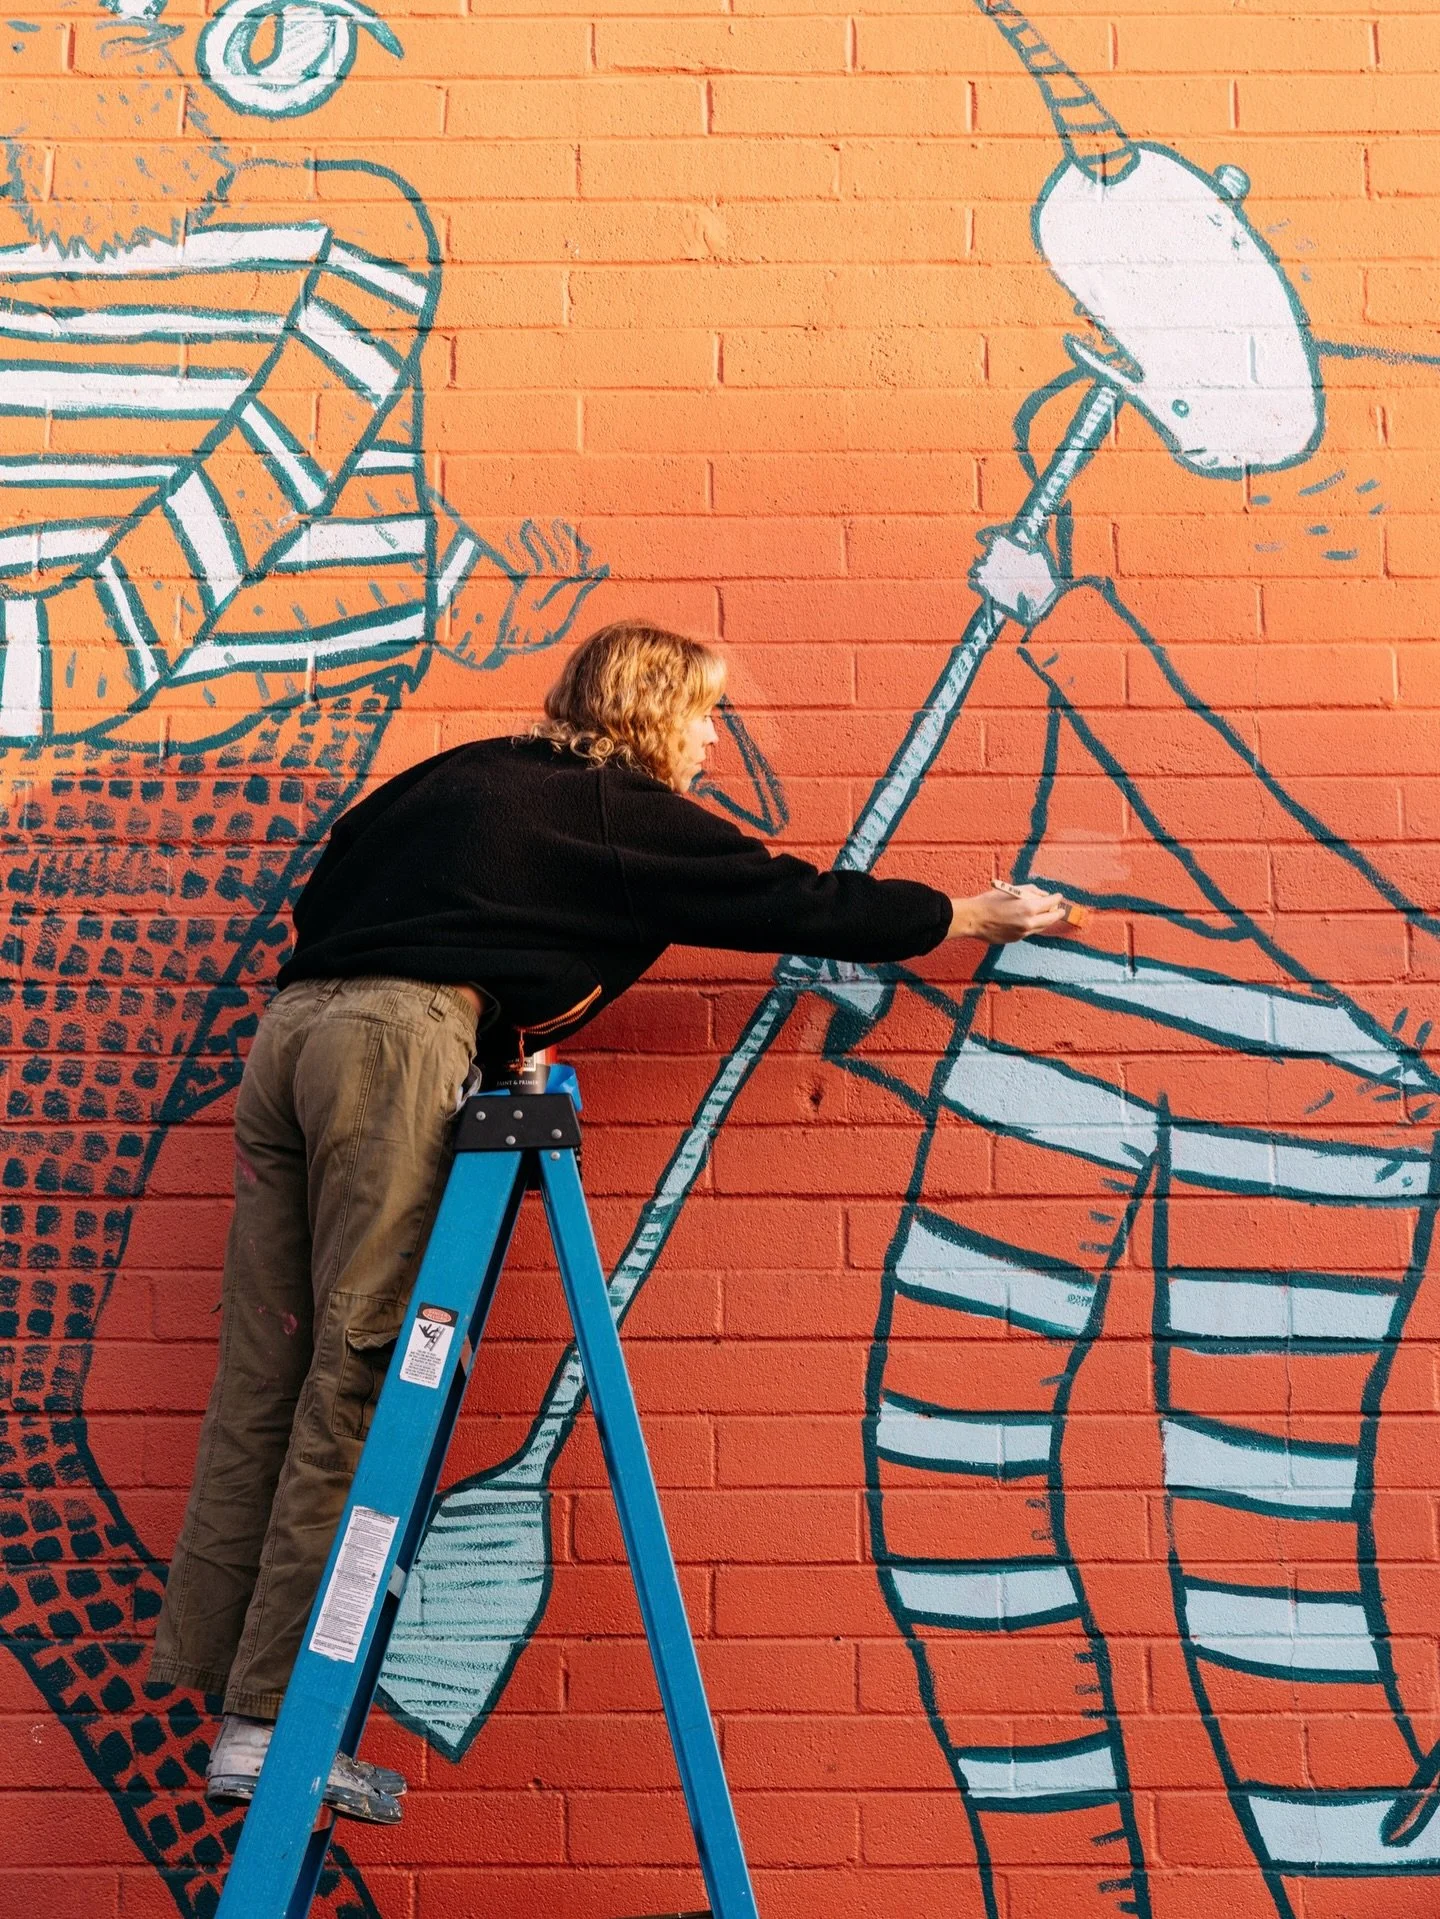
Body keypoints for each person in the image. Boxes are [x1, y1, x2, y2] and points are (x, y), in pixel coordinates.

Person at [147, 619, 1068, 1821]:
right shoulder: (609, 806)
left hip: (289, 1044)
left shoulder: (457, 774)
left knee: (270, 1372)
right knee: (363, 1369)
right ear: (646, 712)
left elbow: (343, 869)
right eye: (701, 713)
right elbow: (784, 897)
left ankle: (232, 1707)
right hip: (392, 1046)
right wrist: (958, 914)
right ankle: (276, 1723)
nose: (711, 740)